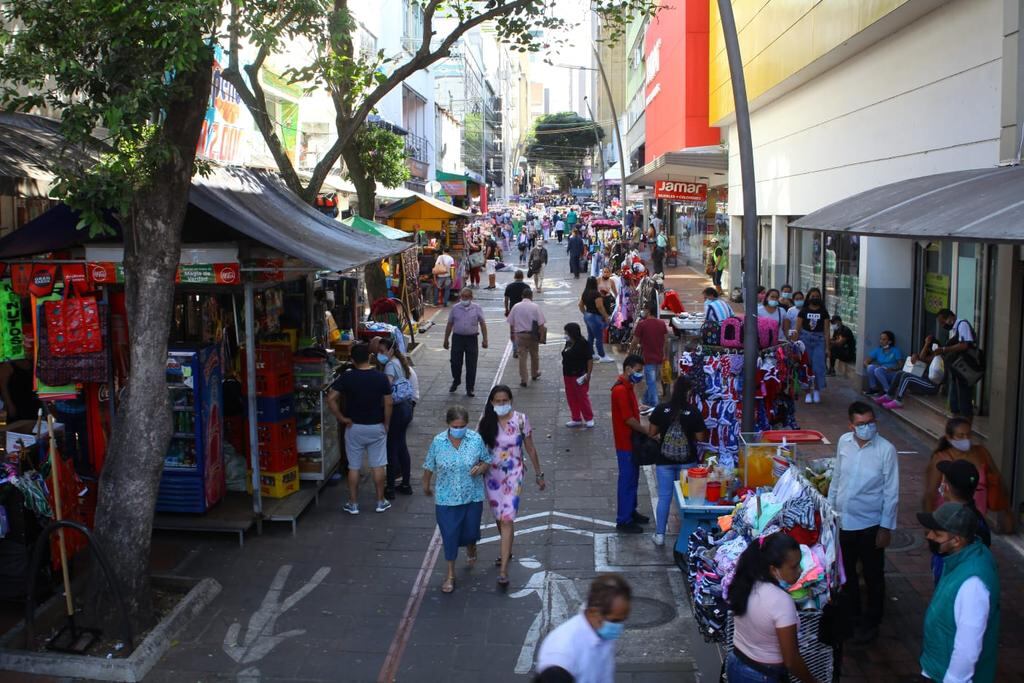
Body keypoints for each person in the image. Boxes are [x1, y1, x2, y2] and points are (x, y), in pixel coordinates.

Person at [828, 401, 899, 644]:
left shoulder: (886, 450)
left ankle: (872, 622)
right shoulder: (843, 443)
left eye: (870, 423)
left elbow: (891, 492)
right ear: (851, 425)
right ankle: (854, 617)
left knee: (873, 576)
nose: (867, 427)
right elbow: (837, 477)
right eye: (861, 424)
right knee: (847, 573)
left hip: (870, 525)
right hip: (844, 521)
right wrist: (830, 509)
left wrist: (886, 527)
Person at [917, 502, 1001, 683]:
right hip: (935, 667)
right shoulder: (959, 558)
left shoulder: (973, 583)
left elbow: (967, 650)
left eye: (937, 534)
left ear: (956, 540)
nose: (929, 536)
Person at [725, 532, 820, 683]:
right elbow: (791, 660)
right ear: (773, 569)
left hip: (736, 664)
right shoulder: (781, 602)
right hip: (763, 676)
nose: (800, 571)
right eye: (794, 567)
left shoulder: (747, 583)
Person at [479, 386, 545, 586]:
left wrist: (539, 474)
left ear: (511, 400)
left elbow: (531, 448)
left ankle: (504, 569)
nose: (502, 404)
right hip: (492, 476)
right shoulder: (487, 422)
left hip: (514, 475)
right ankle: (507, 549)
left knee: (507, 518)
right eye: (498, 401)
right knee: (499, 517)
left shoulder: (521, 420)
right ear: (492, 403)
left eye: (505, 400)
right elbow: (480, 449)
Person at [422, 405, 492, 593]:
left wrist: (481, 468)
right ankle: (450, 574)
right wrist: (426, 485)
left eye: (462, 426)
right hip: (446, 499)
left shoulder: (475, 439)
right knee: (450, 536)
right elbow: (429, 465)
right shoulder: (438, 442)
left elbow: (487, 460)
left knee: (470, 532)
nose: (459, 429)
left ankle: (471, 546)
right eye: (455, 426)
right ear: (448, 424)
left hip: (472, 496)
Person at [327, 342, 393, 515]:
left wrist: (341, 418)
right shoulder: (380, 377)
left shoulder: (348, 377)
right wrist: (386, 423)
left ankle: (353, 503)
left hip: (354, 427)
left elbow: (331, 398)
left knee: (354, 467)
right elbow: (388, 403)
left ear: (352, 360)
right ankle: (380, 501)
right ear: (370, 357)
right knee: (378, 465)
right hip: (376, 426)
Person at [922, 417, 1013, 532]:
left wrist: (1007, 511)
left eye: (968, 435)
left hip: (976, 521)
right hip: (949, 523)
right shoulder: (940, 458)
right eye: (960, 436)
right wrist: (930, 527)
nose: (966, 439)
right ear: (949, 438)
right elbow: (930, 494)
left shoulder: (981, 452)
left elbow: (997, 479)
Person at [535, 574, 631, 683]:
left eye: (622, 620)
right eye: (614, 621)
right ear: (593, 613)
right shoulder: (562, 652)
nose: (619, 627)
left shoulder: (600, 630)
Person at [646, 378, 707, 547]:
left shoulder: (661, 409)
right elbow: (701, 437)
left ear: (673, 390)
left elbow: (651, 432)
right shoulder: (693, 412)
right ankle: (689, 535)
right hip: (688, 462)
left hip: (664, 461)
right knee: (689, 499)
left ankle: (659, 535)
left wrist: (664, 439)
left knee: (664, 497)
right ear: (688, 392)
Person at [925, 459, 991, 585]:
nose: (931, 536)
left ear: (947, 487)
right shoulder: (978, 520)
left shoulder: (952, 523)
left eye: (943, 480)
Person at [610, 355, 651, 534]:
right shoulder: (620, 390)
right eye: (638, 370)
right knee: (627, 480)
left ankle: (630, 511)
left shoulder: (628, 387)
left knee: (633, 479)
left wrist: (640, 407)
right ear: (628, 369)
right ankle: (624, 519)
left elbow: (631, 411)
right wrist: (648, 432)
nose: (640, 374)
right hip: (625, 442)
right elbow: (629, 419)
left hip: (631, 441)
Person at [377, 337, 414, 499]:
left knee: (391, 448)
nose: (379, 354)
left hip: (397, 410)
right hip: (406, 407)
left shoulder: (390, 365)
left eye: (382, 351)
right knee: (401, 446)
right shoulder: (399, 362)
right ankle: (405, 484)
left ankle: (390, 488)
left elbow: (386, 389)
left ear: (390, 350)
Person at [443, 288, 488, 398]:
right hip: (457, 338)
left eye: (467, 297)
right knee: (455, 362)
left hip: (471, 339)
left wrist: (485, 339)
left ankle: (470, 387)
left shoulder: (477, 308)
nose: (464, 299)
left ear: (471, 298)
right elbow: (449, 324)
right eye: (462, 297)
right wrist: (446, 339)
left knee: (471, 364)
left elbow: (482, 323)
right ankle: (456, 380)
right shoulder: (455, 308)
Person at [876, 335, 941, 409]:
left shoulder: (937, 357)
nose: (927, 350)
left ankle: (898, 401)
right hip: (923, 383)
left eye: (928, 348)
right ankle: (889, 395)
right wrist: (917, 356)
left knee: (907, 376)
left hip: (931, 386)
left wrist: (926, 344)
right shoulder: (926, 357)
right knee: (900, 373)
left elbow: (921, 359)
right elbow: (919, 364)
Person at [934, 308, 977, 420]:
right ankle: (957, 414)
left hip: (965, 365)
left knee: (964, 393)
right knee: (957, 390)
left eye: (943, 322)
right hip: (958, 366)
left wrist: (944, 349)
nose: (943, 325)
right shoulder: (956, 329)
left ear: (951, 317)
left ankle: (965, 417)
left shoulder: (962, 325)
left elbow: (964, 345)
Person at [796, 287, 830, 403]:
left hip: (819, 340)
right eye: (813, 296)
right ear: (809, 297)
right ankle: (807, 392)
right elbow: (798, 328)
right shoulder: (803, 311)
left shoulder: (824, 312)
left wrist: (827, 348)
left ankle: (816, 390)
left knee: (818, 367)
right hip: (805, 339)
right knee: (806, 366)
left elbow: (826, 331)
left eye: (817, 296)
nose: (815, 298)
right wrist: (796, 344)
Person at [632, 305, 668, 413]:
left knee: (651, 382)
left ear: (648, 311)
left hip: (648, 358)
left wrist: (630, 352)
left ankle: (654, 404)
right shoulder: (662, 323)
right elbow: (665, 340)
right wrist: (665, 354)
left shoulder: (642, 324)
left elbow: (635, 341)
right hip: (659, 357)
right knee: (652, 381)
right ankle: (646, 400)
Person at [507, 288, 547, 387]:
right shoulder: (535, 307)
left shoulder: (516, 306)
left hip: (520, 335)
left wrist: (512, 334)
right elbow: (541, 323)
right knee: (534, 355)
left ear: (522, 296)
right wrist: (542, 336)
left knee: (522, 357)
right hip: (533, 335)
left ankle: (524, 379)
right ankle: (534, 373)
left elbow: (511, 322)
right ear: (531, 296)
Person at [562, 322, 595, 428]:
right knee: (571, 397)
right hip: (567, 375)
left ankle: (589, 418)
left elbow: (589, 359)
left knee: (582, 397)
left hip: (579, 375)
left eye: (566, 332)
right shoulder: (569, 342)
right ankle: (576, 418)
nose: (565, 334)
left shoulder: (583, 343)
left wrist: (588, 374)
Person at [579, 276, 612, 363]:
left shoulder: (585, 292)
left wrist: (585, 313)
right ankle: (602, 355)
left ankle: (592, 354)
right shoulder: (596, 294)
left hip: (587, 316)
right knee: (599, 337)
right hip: (595, 317)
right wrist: (605, 316)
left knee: (591, 336)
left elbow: (580, 305)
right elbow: (599, 306)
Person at [862, 330, 903, 396]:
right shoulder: (878, 350)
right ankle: (874, 388)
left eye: (884, 339)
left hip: (892, 373)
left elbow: (901, 365)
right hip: (881, 372)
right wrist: (872, 366)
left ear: (889, 341)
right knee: (871, 367)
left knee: (878, 370)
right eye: (880, 339)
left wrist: (892, 368)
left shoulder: (896, 350)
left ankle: (888, 390)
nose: (881, 341)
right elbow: (866, 362)